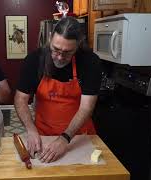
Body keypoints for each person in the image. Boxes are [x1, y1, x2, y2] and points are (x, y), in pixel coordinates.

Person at [14, 16, 102, 163]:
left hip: (78, 137)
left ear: (78, 45)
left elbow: (86, 107)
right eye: (56, 49)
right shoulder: (34, 60)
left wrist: (65, 138)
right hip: (43, 137)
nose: (60, 57)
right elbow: (20, 99)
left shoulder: (90, 62)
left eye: (67, 52)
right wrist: (30, 129)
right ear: (50, 38)